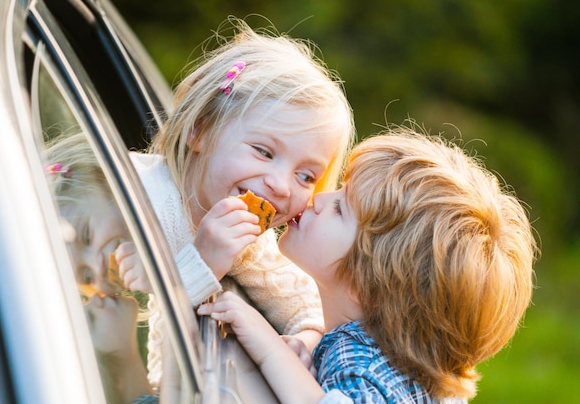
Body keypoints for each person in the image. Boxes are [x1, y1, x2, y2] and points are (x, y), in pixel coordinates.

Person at [198, 127, 537, 403]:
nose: (318, 198)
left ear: (366, 283)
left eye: (340, 209)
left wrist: (270, 349)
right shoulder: (418, 373)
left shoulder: (359, 365)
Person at [130, 17, 356, 386]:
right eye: (264, 152)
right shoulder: (132, 192)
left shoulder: (251, 247)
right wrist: (201, 262)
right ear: (199, 130)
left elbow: (306, 306)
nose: (281, 186)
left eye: (306, 176)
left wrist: (303, 341)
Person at [44, 133, 156, 404]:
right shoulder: (163, 306)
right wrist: (119, 356)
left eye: (86, 236)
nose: (98, 267)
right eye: (85, 276)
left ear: (105, 179)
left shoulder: (202, 227)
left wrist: (123, 359)